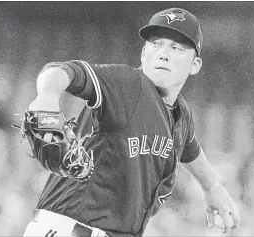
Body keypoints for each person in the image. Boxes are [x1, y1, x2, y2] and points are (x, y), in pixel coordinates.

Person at [23, 7, 240, 237]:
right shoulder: (128, 85)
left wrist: (211, 187)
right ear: (143, 54)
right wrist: (46, 96)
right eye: (156, 44)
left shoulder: (180, 114)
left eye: (176, 48)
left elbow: (190, 147)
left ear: (195, 65)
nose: (163, 54)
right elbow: (62, 71)